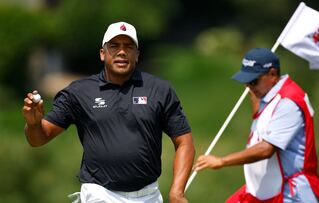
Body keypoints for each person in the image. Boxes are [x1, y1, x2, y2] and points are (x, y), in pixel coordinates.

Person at [22, 21, 195, 203]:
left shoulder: (159, 89)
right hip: (100, 194)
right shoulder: (79, 92)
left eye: (128, 47)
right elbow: (39, 138)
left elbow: (185, 142)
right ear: (102, 53)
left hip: (148, 195)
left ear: (137, 55)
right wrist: (33, 124)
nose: (122, 52)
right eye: (114, 46)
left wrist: (177, 191)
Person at [193, 48, 319, 203]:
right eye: (246, 81)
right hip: (264, 192)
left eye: (254, 81)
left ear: (272, 74)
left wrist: (222, 161)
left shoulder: (288, 102)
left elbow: (266, 149)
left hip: (291, 193)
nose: (250, 86)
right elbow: (260, 120)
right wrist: (253, 94)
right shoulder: (269, 95)